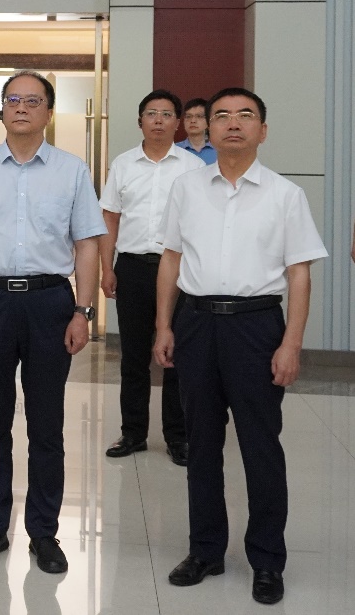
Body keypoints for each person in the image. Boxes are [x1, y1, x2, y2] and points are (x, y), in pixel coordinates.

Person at [155, 88, 326, 606]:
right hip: (197, 324)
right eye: (223, 116)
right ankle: (205, 550)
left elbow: (299, 274)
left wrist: (291, 343)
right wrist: (165, 326)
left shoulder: (285, 195)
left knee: (260, 446)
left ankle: (267, 560)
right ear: (208, 127)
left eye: (245, 115)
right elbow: (170, 259)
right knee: (202, 444)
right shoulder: (186, 187)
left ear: (262, 131)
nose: (233, 123)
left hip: (256, 328)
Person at [0, 71, 105, 575]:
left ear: (49, 113)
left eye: (33, 101)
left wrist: (82, 310)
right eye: (13, 99)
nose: (21, 108)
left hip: (49, 303)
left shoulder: (72, 171)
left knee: (47, 424)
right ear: (1, 110)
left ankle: (44, 533)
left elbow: (87, 244)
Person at [100, 90, 204, 466]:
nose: (158, 120)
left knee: (176, 355)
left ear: (178, 123)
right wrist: (107, 267)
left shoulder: (193, 167)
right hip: (132, 268)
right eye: (151, 113)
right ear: (140, 121)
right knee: (133, 356)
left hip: (179, 270)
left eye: (166, 114)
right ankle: (133, 433)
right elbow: (110, 218)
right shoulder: (123, 164)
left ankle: (178, 436)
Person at [176, 98, 216, 164]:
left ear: (209, 121)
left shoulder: (219, 150)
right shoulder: (174, 150)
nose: (193, 121)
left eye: (199, 116)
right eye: (188, 116)